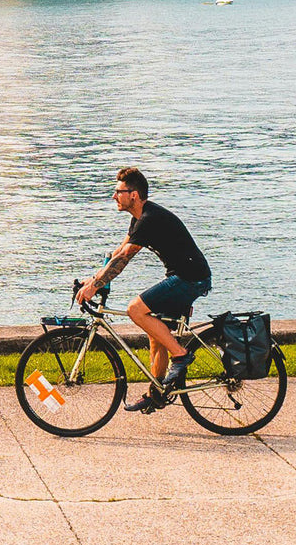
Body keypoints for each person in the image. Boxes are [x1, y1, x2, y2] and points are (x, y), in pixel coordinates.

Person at [76, 168, 212, 413]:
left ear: (134, 195)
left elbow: (126, 257)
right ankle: (157, 392)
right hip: (182, 276)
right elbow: (119, 252)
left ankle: (180, 356)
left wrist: (95, 287)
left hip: (190, 279)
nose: (114, 196)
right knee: (156, 334)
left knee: (135, 310)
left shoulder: (149, 219)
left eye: (118, 192)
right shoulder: (139, 218)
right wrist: (93, 280)